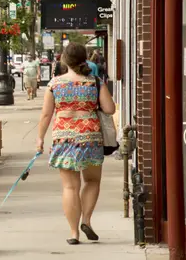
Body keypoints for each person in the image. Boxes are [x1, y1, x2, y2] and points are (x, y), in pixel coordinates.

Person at [36, 42, 115, 245]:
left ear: (64, 59)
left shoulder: (54, 84)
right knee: (92, 181)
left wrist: (40, 138)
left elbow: (46, 114)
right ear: (85, 59)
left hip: (64, 138)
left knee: (70, 188)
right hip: (90, 137)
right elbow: (110, 109)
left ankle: (73, 233)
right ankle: (86, 220)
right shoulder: (95, 82)